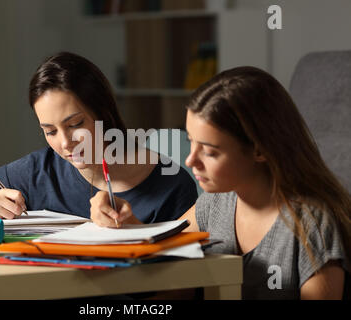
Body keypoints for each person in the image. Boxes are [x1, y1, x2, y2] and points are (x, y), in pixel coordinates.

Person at [90, 66, 351, 300]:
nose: (191, 161)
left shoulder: (311, 224)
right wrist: (123, 223)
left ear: (259, 150)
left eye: (210, 151)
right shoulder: (213, 206)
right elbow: (164, 256)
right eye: (190, 141)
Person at [0, 52, 197, 223]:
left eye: (75, 124)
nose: (66, 143)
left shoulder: (171, 184)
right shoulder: (39, 172)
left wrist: (131, 237)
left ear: (104, 113)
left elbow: (184, 289)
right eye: (50, 131)